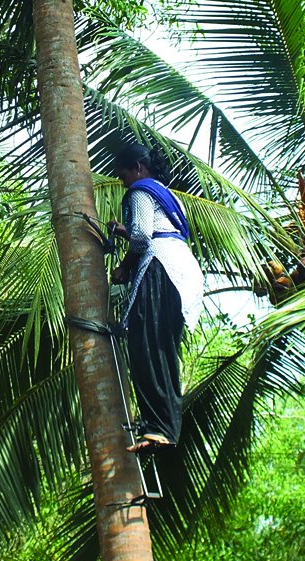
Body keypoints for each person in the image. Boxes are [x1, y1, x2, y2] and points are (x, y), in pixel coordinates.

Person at [110, 143, 204, 453]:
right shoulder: (168, 193)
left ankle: (158, 426)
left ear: (137, 167)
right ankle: (164, 428)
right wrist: (123, 231)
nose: (123, 181)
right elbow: (158, 229)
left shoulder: (140, 191)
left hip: (161, 267)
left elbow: (141, 237)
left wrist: (124, 266)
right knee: (161, 349)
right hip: (184, 272)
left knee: (144, 345)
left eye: (123, 175)